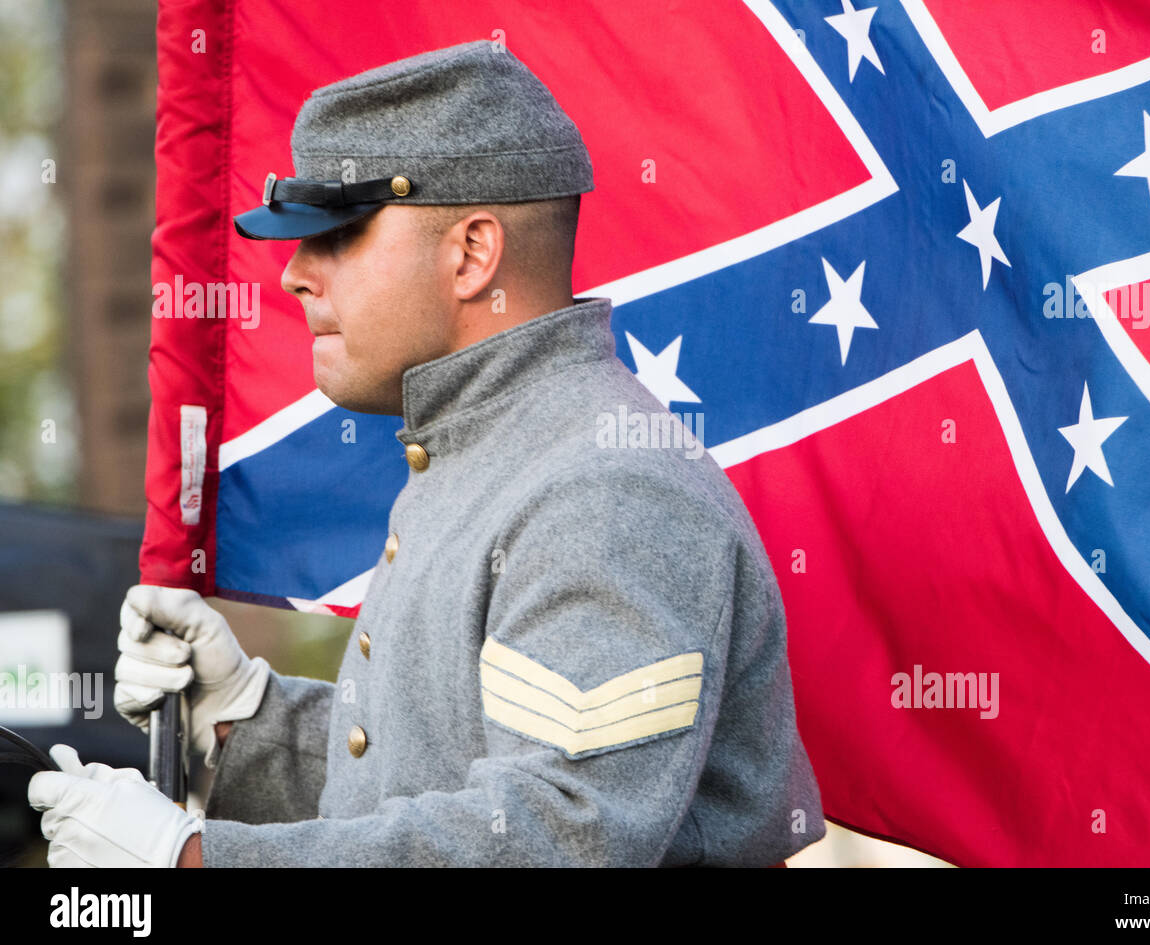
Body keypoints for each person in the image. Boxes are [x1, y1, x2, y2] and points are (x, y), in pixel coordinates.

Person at [29, 39, 825, 867]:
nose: (297, 274)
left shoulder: (603, 486)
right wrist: (242, 720)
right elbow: (435, 787)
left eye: (337, 233)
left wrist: (194, 858)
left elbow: (561, 835)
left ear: (474, 254)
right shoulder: (496, 451)